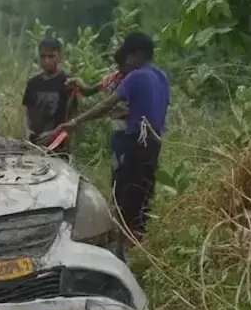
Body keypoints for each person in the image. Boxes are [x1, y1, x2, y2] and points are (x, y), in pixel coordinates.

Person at [47, 32, 170, 261]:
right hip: (154, 143)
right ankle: (138, 245)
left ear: (138, 54)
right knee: (144, 191)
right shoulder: (160, 76)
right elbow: (155, 109)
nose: (126, 60)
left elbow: (106, 104)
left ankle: (122, 251)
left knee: (123, 193)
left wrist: (76, 121)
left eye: (129, 54)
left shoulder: (135, 76)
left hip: (132, 142)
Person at [66, 49, 132, 185]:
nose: (120, 69)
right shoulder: (114, 78)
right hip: (119, 131)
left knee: (131, 172)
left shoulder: (136, 81)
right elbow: (89, 91)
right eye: (118, 65)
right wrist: (78, 83)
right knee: (118, 170)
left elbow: (105, 106)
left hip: (135, 133)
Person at [22, 38, 76, 152]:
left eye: (51, 56)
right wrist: (27, 130)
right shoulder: (33, 83)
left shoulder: (68, 81)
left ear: (60, 57)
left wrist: (56, 133)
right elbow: (28, 112)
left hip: (59, 146)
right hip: (35, 143)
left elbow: (73, 117)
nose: (47, 61)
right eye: (43, 56)